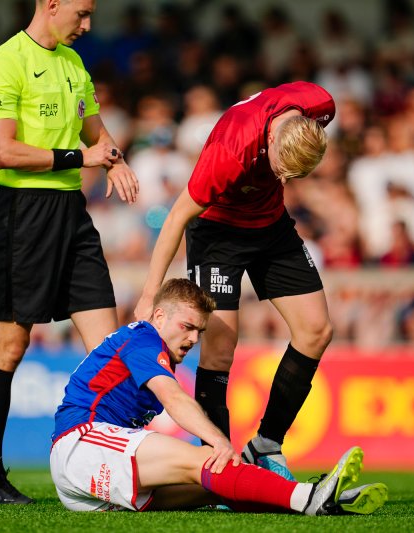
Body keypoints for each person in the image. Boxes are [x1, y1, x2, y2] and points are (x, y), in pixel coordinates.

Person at [0, 0, 138, 504]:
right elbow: (3, 150)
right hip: (23, 213)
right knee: (10, 346)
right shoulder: (6, 60)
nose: (87, 26)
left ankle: (112, 470)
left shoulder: (73, 64)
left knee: (108, 347)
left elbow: (96, 128)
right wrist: (82, 157)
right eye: (82, 14)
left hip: (71, 212)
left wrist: (112, 158)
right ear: (52, 5)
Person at [134, 81, 335, 481]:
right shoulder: (231, 150)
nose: (284, 178)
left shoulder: (321, 104)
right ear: (272, 138)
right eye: (281, 167)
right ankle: (217, 466)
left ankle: (266, 444)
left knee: (316, 330)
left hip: (272, 227)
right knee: (220, 347)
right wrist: (148, 294)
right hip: (218, 233)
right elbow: (176, 218)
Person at [52, 278, 387, 514]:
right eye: (187, 326)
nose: (195, 338)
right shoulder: (143, 339)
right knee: (213, 458)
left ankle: (320, 500)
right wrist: (218, 440)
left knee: (212, 486)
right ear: (158, 316)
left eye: (200, 330)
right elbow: (174, 398)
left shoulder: (149, 348)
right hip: (82, 444)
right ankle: (311, 497)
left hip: (93, 482)